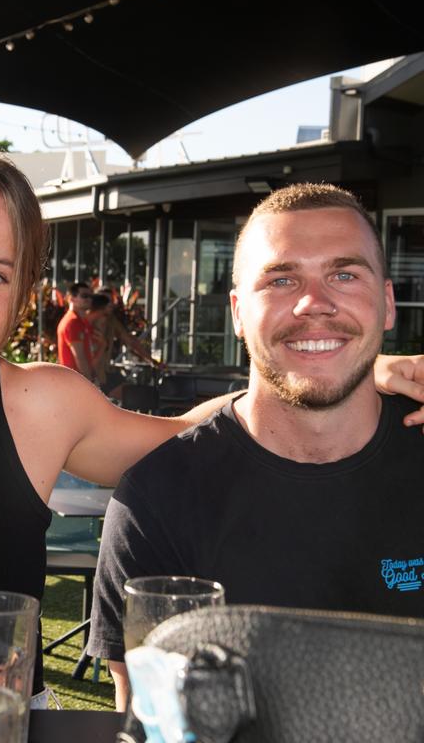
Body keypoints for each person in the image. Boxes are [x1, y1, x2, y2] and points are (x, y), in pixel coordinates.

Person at [0, 150, 424, 741]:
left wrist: (349, 370)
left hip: (13, 724)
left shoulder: (43, 405)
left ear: (23, 297)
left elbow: (196, 439)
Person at [86, 183, 424, 711]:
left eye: (344, 274)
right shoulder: (158, 498)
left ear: (386, 304)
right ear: (239, 314)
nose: (314, 302)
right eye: (282, 279)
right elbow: (155, 723)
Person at [56, 281, 97, 377]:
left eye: (91, 296)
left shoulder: (80, 321)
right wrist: (90, 383)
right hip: (75, 381)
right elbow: (80, 358)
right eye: (84, 296)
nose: (89, 299)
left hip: (75, 380)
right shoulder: (73, 322)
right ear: (71, 298)